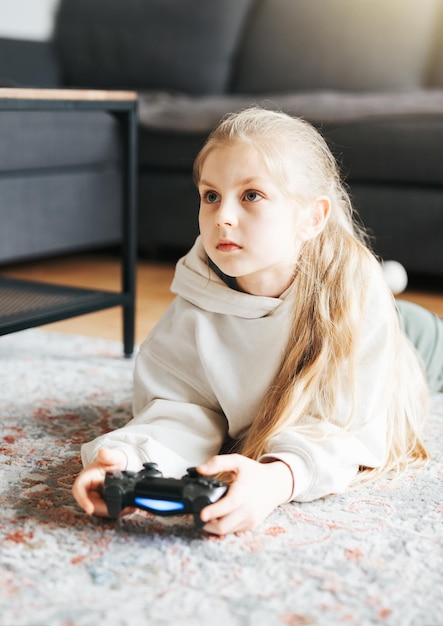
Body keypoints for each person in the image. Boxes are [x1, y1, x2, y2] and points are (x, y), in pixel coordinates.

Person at [73, 108, 443, 535]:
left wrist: (276, 479)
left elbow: (344, 427)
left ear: (312, 218)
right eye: (211, 195)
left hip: (415, 341)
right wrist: (127, 458)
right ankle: (391, 278)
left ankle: (389, 284)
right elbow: (182, 405)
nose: (223, 216)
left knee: (406, 318)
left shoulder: (353, 298)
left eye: (251, 195)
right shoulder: (198, 293)